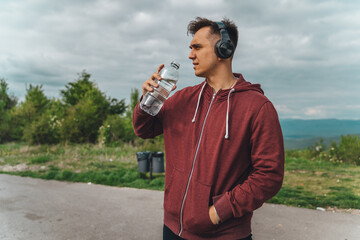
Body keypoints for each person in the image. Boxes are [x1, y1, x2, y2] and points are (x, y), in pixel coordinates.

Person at [133, 17, 284, 240]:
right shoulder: (183, 99)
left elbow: (269, 175)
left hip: (224, 234)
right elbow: (144, 129)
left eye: (197, 47)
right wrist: (148, 100)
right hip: (173, 229)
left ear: (225, 49)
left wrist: (218, 212)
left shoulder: (258, 107)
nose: (190, 55)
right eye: (190, 48)